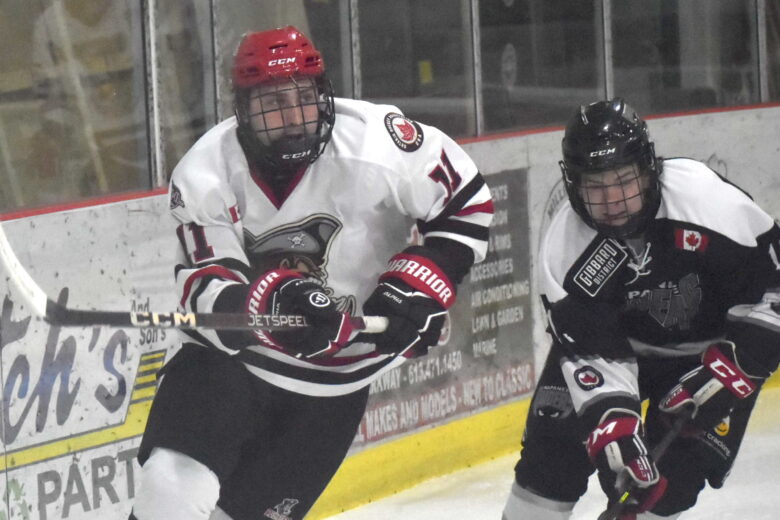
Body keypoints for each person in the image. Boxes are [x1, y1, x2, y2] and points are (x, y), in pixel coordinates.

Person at [129, 26, 493, 520]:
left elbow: (465, 202)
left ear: (324, 96)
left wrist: (416, 286)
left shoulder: (378, 143)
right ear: (241, 111)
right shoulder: (205, 173)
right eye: (273, 105)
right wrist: (270, 302)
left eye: (303, 99)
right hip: (231, 367)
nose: (294, 119)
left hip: (335, 386)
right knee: (167, 498)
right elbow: (205, 285)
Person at [502, 98, 780, 520]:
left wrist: (742, 362)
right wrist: (614, 420)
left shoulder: (705, 201)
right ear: (574, 185)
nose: (612, 200)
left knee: (667, 488)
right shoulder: (566, 246)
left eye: (623, 181)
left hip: (707, 358)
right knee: (548, 466)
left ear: (649, 170)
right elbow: (591, 348)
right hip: (618, 352)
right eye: (595, 186)